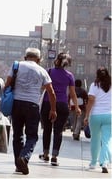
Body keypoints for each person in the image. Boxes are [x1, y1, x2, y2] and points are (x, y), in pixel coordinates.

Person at [6, 47, 57, 175]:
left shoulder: (17, 65)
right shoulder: (42, 71)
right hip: (32, 106)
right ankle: (24, 157)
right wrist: (53, 109)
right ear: (39, 59)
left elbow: (7, 84)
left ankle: (18, 164)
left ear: (25, 57)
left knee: (17, 135)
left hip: (16, 104)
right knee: (32, 136)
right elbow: (51, 92)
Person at [39, 52, 81, 166]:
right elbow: (72, 94)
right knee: (58, 131)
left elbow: (42, 87)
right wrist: (77, 107)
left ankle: (45, 154)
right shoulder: (69, 75)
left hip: (48, 103)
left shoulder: (49, 72)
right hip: (62, 104)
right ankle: (54, 156)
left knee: (47, 129)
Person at [84, 67, 111, 174]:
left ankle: (93, 163)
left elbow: (90, 101)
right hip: (109, 116)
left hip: (95, 116)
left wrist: (86, 116)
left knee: (95, 139)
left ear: (97, 75)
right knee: (107, 140)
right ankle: (105, 162)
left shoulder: (94, 85)